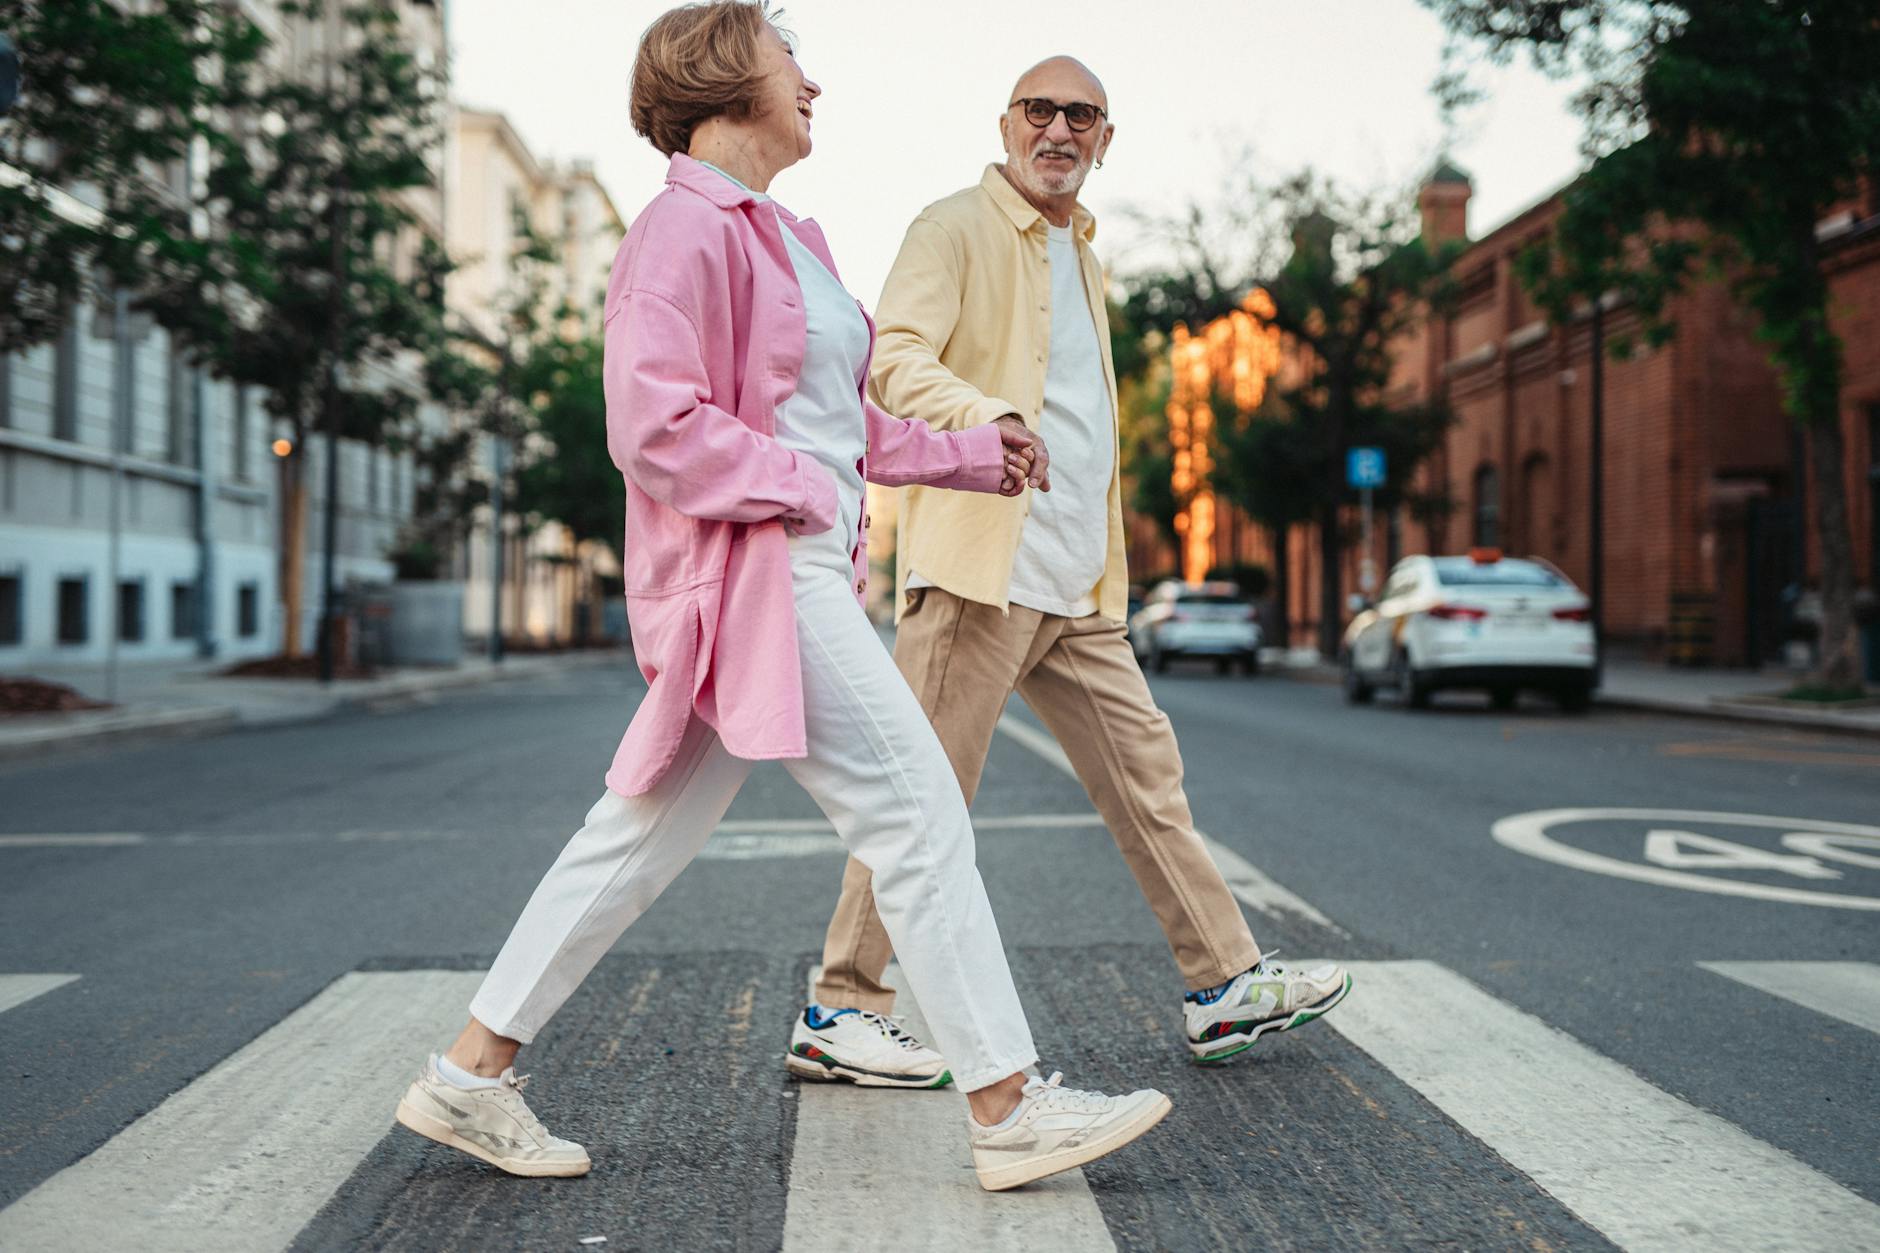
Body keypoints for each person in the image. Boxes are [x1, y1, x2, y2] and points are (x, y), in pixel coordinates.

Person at [391, 2, 1168, 1193]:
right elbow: (651, 425)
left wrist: (971, 453)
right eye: (790, 57)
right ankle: (1008, 1105)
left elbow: (835, 420)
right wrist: (801, 486)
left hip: (785, 562)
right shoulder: (676, 229)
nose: (813, 82)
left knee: (635, 838)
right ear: (723, 76)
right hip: (761, 571)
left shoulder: (781, 236)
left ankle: (468, 1070)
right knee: (918, 817)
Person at [792, 55, 1351, 1085]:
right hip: (978, 571)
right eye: (1039, 110)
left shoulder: (1082, 253)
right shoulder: (950, 226)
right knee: (922, 797)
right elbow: (892, 358)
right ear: (1005, 124)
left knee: (1147, 780)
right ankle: (840, 1004)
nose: (1058, 129)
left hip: (1076, 581)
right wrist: (982, 415)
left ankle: (1223, 982)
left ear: (1104, 138)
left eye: (1080, 115)